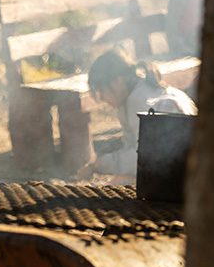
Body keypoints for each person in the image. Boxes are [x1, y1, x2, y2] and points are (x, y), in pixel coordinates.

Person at [81, 48, 197, 177]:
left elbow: (143, 159)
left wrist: (99, 164)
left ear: (117, 81)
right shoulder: (140, 93)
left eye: (100, 91)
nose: (101, 98)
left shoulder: (141, 102)